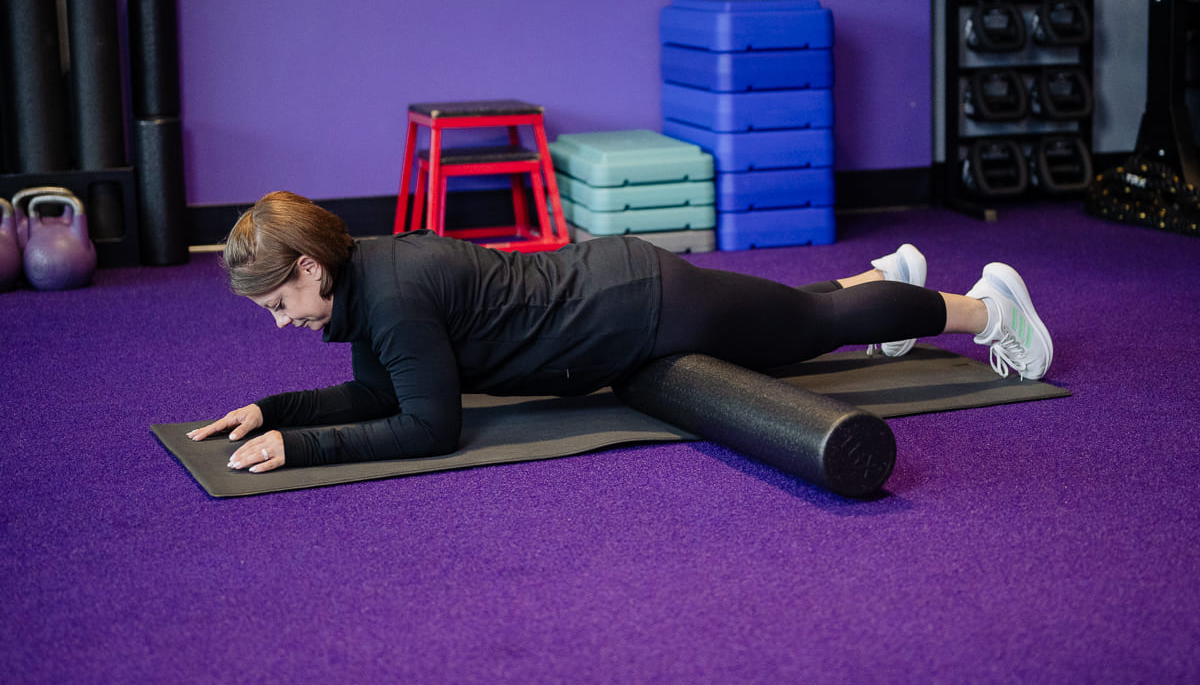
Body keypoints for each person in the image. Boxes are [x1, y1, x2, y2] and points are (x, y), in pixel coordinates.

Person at [189, 191, 1053, 473]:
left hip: (639, 308)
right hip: (615, 289)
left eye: (279, 303)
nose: (283, 322)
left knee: (811, 326)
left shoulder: (391, 298)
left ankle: (987, 310)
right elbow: (379, 391)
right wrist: (274, 412)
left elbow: (428, 425)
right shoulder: (367, 273)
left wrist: (303, 450)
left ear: (312, 269)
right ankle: (886, 279)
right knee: (786, 317)